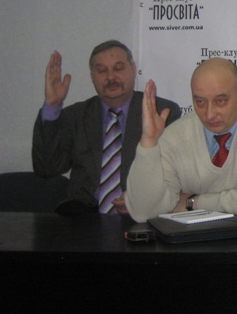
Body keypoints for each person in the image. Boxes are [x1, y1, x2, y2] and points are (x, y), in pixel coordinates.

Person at [126, 57, 237, 222]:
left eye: (220, 101)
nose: (209, 114)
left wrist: (193, 202)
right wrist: (149, 142)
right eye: (200, 102)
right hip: (196, 237)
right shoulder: (175, 136)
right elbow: (143, 213)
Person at [32, 40, 180, 214]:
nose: (111, 77)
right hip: (83, 217)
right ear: (92, 77)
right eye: (102, 70)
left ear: (133, 69)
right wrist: (52, 105)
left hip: (143, 215)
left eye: (118, 68)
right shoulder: (75, 116)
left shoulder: (160, 112)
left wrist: (142, 197)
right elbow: (47, 168)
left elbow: (174, 174)